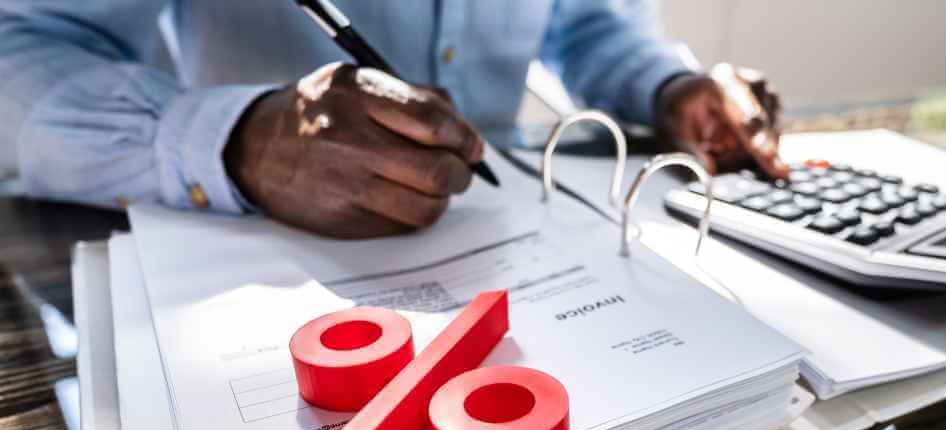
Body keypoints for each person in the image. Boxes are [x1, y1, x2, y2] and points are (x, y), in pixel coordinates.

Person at [0, 1, 786, 238]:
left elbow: (583, 22)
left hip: (510, 230)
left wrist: (669, 87)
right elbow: (25, 43)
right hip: (253, 244)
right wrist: (238, 139)